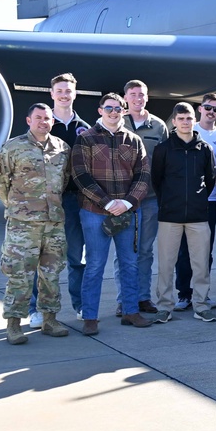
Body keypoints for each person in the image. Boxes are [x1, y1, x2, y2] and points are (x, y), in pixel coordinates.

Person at [71, 93, 152, 334]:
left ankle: (130, 311)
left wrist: (127, 203)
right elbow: (80, 176)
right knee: (95, 264)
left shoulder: (134, 140)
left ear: (124, 112)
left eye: (119, 108)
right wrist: (108, 203)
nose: (114, 112)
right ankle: (90, 317)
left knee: (129, 262)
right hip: (95, 212)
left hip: (127, 212)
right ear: (100, 111)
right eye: (109, 108)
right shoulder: (85, 139)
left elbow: (143, 175)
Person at [0, 103, 71, 344]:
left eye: (47, 118)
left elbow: (64, 179)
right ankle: (14, 324)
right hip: (22, 225)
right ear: (29, 120)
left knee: (51, 273)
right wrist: (16, 207)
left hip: (53, 224)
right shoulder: (13, 147)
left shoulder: (61, 148)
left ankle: (49, 319)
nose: (43, 122)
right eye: (38, 118)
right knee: (19, 274)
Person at [151, 103, 216, 323]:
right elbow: (156, 180)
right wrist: (168, 202)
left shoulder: (205, 149)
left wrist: (197, 200)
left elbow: (210, 180)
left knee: (200, 264)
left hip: (198, 216)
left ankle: (201, 304)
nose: (186, 122)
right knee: (166, 264)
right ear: (174, 121)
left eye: (189, 118)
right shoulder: (163, 149)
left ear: (193, 120)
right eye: (181, 119)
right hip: (170, 215)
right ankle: (164, 307)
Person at [173, 93, 216, 311]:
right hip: (182, 201)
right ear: (200, 108)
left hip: (208, 200)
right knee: (183, 250)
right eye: (208, 107)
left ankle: (202, 295)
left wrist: (201, 189)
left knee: (204, 250)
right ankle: (184, 294)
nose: (211, 112)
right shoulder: (186, 129)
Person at [120, 79, 169, 315]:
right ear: (126, 97)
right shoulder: (117, 123)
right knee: (125, 252)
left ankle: (142, 298)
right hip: (123, 200)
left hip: (149, 198)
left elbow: (168, 161)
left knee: (145, 251)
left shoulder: (159, 127)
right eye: (133, 94)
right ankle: (124, 300)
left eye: (142, 94)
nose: (138, 98)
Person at [48, 73, 91, 320]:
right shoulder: (42, 124)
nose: (64, 95)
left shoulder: (84, 129)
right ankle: (37, 309)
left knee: (76, 258)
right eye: (60, 91)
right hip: (48, 202)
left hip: (75, 200)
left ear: (75, 94)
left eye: (68, 91)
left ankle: (80, 305)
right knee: (45, 259)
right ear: (52, 94)